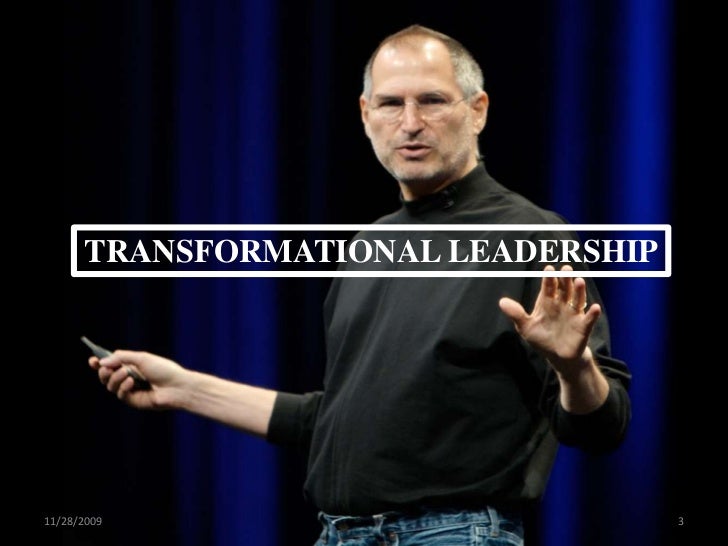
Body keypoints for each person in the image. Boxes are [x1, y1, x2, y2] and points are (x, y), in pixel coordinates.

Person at [90, 24, 631, 546]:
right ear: (366, 114)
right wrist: (184, 389)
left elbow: (603, 428)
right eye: (391, 103)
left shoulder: (530, 236)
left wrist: (572, 367)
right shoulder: (367, 248)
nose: (411, 123)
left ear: (478, 110)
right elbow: (332, 423)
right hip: (339, 533)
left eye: (432, 101)